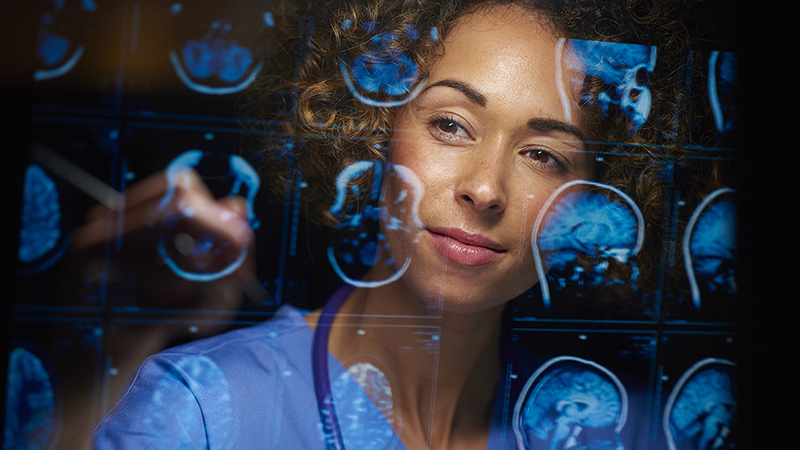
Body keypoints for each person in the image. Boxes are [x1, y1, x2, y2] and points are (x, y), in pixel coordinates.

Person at [90, 0, 725, 449]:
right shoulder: (198, 411)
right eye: (450, 124)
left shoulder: (625, 429)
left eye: (543, 155)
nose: (484, 188)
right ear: (375, 130)